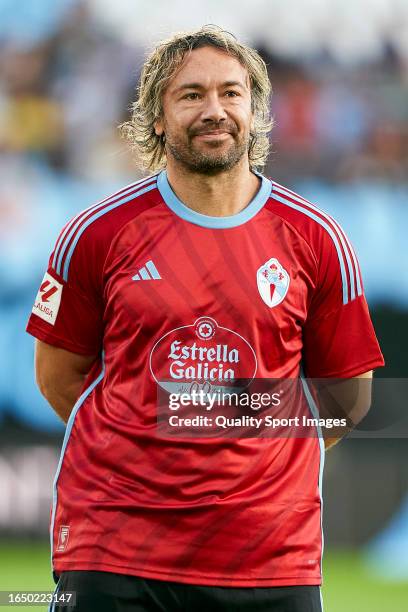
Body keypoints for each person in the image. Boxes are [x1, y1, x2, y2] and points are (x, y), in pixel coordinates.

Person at [27, 25, 384, 612]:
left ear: (254, 109)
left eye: (231, 93)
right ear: (158, 117)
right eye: (191, 94)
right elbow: (59, 378)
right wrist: (143, 444)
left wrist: (254, 457)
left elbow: (348, 398)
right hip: (115, 549)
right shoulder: (97, 234)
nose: (214, 110)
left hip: (269, 557)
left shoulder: (317, 240)